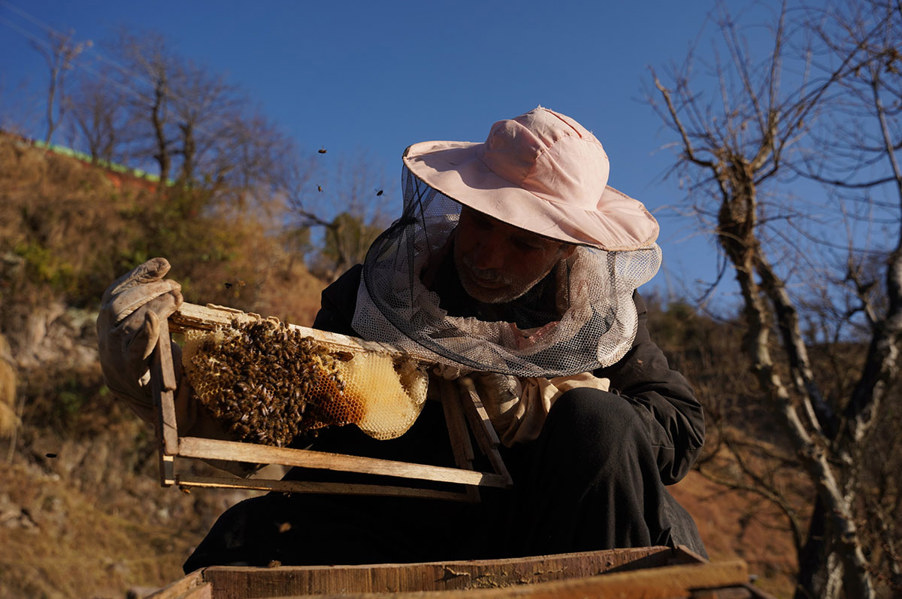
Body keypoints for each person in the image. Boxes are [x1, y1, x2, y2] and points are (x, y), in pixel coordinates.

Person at [97, 106, 707, 571]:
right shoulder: (374, 292)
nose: (488, 256)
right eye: (482, 223)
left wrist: (546, 410)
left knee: (598, 420)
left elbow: (678, 427)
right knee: (245, 540)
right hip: (399, 523)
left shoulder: (598, 319)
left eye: (524, 242)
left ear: (568, 247)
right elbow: (290, 410)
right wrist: (162, 377)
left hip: (546, 531)